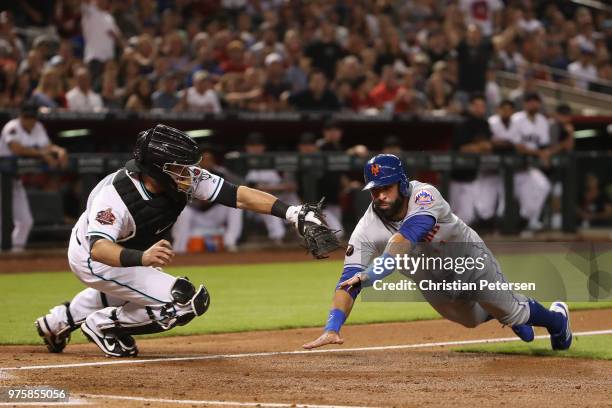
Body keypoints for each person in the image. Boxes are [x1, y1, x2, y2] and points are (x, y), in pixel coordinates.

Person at [35, 124, 327, 358]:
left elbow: (236, 194)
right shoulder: (114, 198)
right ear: (157, 169)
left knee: (129, 289)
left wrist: (291, 212)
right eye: (179, 167)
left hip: (128, 250)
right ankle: (103, 325)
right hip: (93, 255)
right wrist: (143, 259)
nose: (189, 172)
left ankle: (57, 322)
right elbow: (99, 248)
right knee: (184, 300)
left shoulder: (179, 179)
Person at [302, 154, 572, 352]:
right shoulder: (366, 229)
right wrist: (332, 327)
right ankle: (498, 309)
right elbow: (347, 282)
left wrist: (370, 275)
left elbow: (406, 238)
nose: (380, 195)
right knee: (470, 321)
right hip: (431, 280)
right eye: (374, 190)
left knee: (513, 312)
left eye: (386, 188)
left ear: (403, 185)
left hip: (469, 261)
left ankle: (557, 320)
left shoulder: (425, 196)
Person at [0, 102, 68, 251]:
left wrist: (59, 150)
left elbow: (47, 146)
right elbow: (16, 149)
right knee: (2, 222)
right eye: (26, 117)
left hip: (14, 180)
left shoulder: (38, 127)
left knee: (25, 221)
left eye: (32, 117)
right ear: (21, 116)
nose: (29, 120)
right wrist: (42, 155)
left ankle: (14, 254)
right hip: (1, 177)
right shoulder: (12, 127)